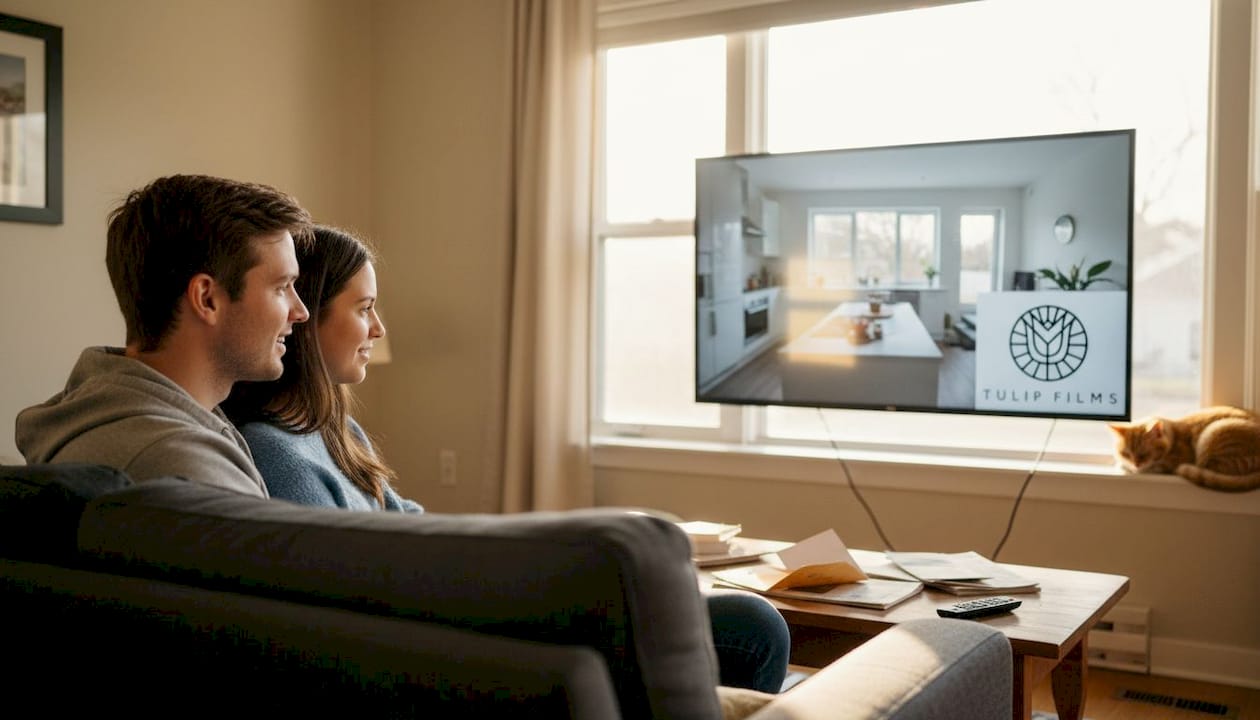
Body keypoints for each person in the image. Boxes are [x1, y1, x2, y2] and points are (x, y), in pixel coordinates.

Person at [223, 225, 791, 693]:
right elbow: (359, 612)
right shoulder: (278, 455)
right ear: (306, 320)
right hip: (468, 637)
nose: (379, 328)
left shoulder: (334, 430)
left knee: (725, 610)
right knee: (752, 625)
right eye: (365, 308)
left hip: (472, 607)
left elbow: (411, 527)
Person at [15, 174, 312, 497]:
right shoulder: (184, 468)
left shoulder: (105, 413)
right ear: (207, 299)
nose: (300, 312)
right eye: (282, 287)